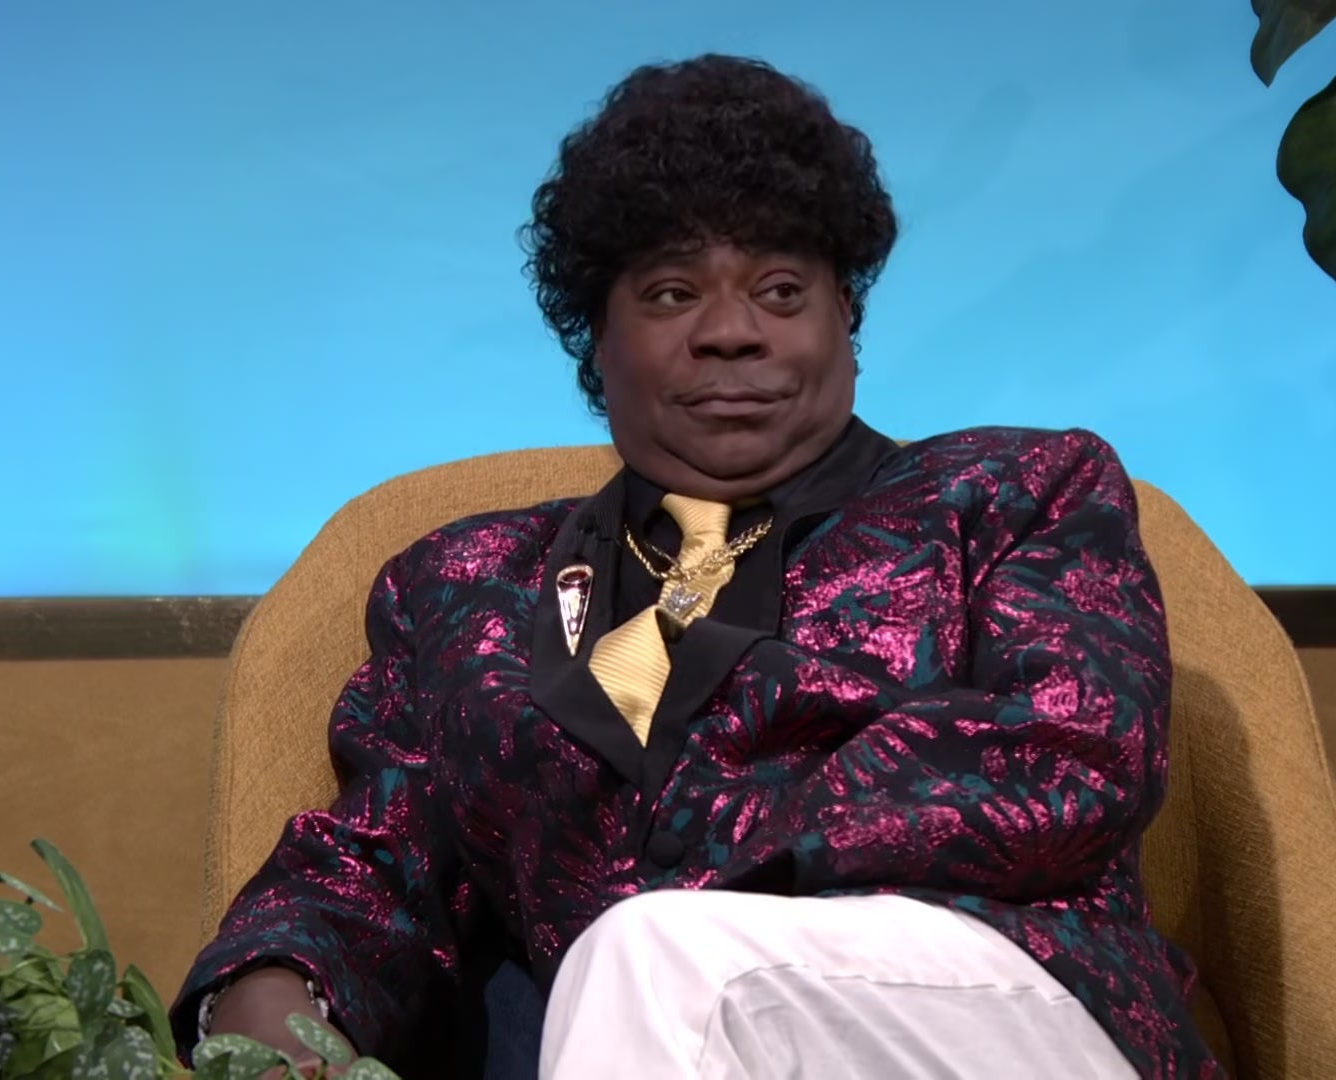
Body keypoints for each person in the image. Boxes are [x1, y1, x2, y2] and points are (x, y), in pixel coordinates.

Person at [174, 54, 1218, 1079]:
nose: (729, 332)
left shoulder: (1013, 493)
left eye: (780, 290)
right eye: (673, 294)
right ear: (597, 338)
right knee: (632, 968)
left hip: (999, 1006)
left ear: (845, 317)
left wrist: (678, 876)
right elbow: (375, 858)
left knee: (647, 952)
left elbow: (1069, 757)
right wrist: (271, 994)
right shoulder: (463, 584)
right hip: (648, 1028)